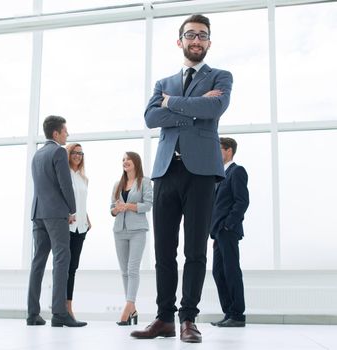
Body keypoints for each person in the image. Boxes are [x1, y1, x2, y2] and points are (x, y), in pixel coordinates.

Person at [131, 14, 233, 343]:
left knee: (195, 251)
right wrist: (194, 107)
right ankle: (163, 318)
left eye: (203, 35)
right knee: (164, 250)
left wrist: (173, 105)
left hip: (202, 172)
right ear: (180, 41)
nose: (196, 40)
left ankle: (188, 318)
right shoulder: (163, 81)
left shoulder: (221, 76)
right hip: (165, 172)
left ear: (209, 42)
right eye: (191, 34)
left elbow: (213, 110)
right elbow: (150, 117)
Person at [26, 115, 87, 328]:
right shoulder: (58, 152)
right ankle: (60, 314)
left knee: (38, 262)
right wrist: (72, 209)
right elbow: (64, 184)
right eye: (65, 131)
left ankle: (33, 314)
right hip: (56, 214)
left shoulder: (37, 154)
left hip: (38, 213)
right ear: (56, 133)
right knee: (62, 260)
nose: (67, 135)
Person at [210, 137, 249, 327]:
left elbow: (242, 201)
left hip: (228, 230)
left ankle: (237, 315)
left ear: (229, 151)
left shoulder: (237, 171)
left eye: (219, 149)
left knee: (231, 270)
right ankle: (229, 312)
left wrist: (228, 225)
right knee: (218, 272)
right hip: (218, 232)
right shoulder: (220, 175)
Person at [110, 152, 153, 326]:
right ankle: (133, 309)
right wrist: (117, 209)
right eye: (123, 159)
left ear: (136, 162)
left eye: (128, 159)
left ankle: (127, 308)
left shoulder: (145, 182)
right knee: (124, 271)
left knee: (133, 269)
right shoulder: (117, 184)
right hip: (119, 230)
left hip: (137, 230)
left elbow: (148, 205)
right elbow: (111, 209)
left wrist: (128, 206)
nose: (125, 161)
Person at [65, 143, 92, 320]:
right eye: (74, 152)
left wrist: (88, 218)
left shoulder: (83, 177)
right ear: (68, 154)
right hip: (67, 226)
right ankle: (61, 308)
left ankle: (68, 307)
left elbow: (80, 201)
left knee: (73, 268)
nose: (77, 156)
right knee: (63, 268)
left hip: (81, 227)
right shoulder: (65, 174)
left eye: (80, 153)